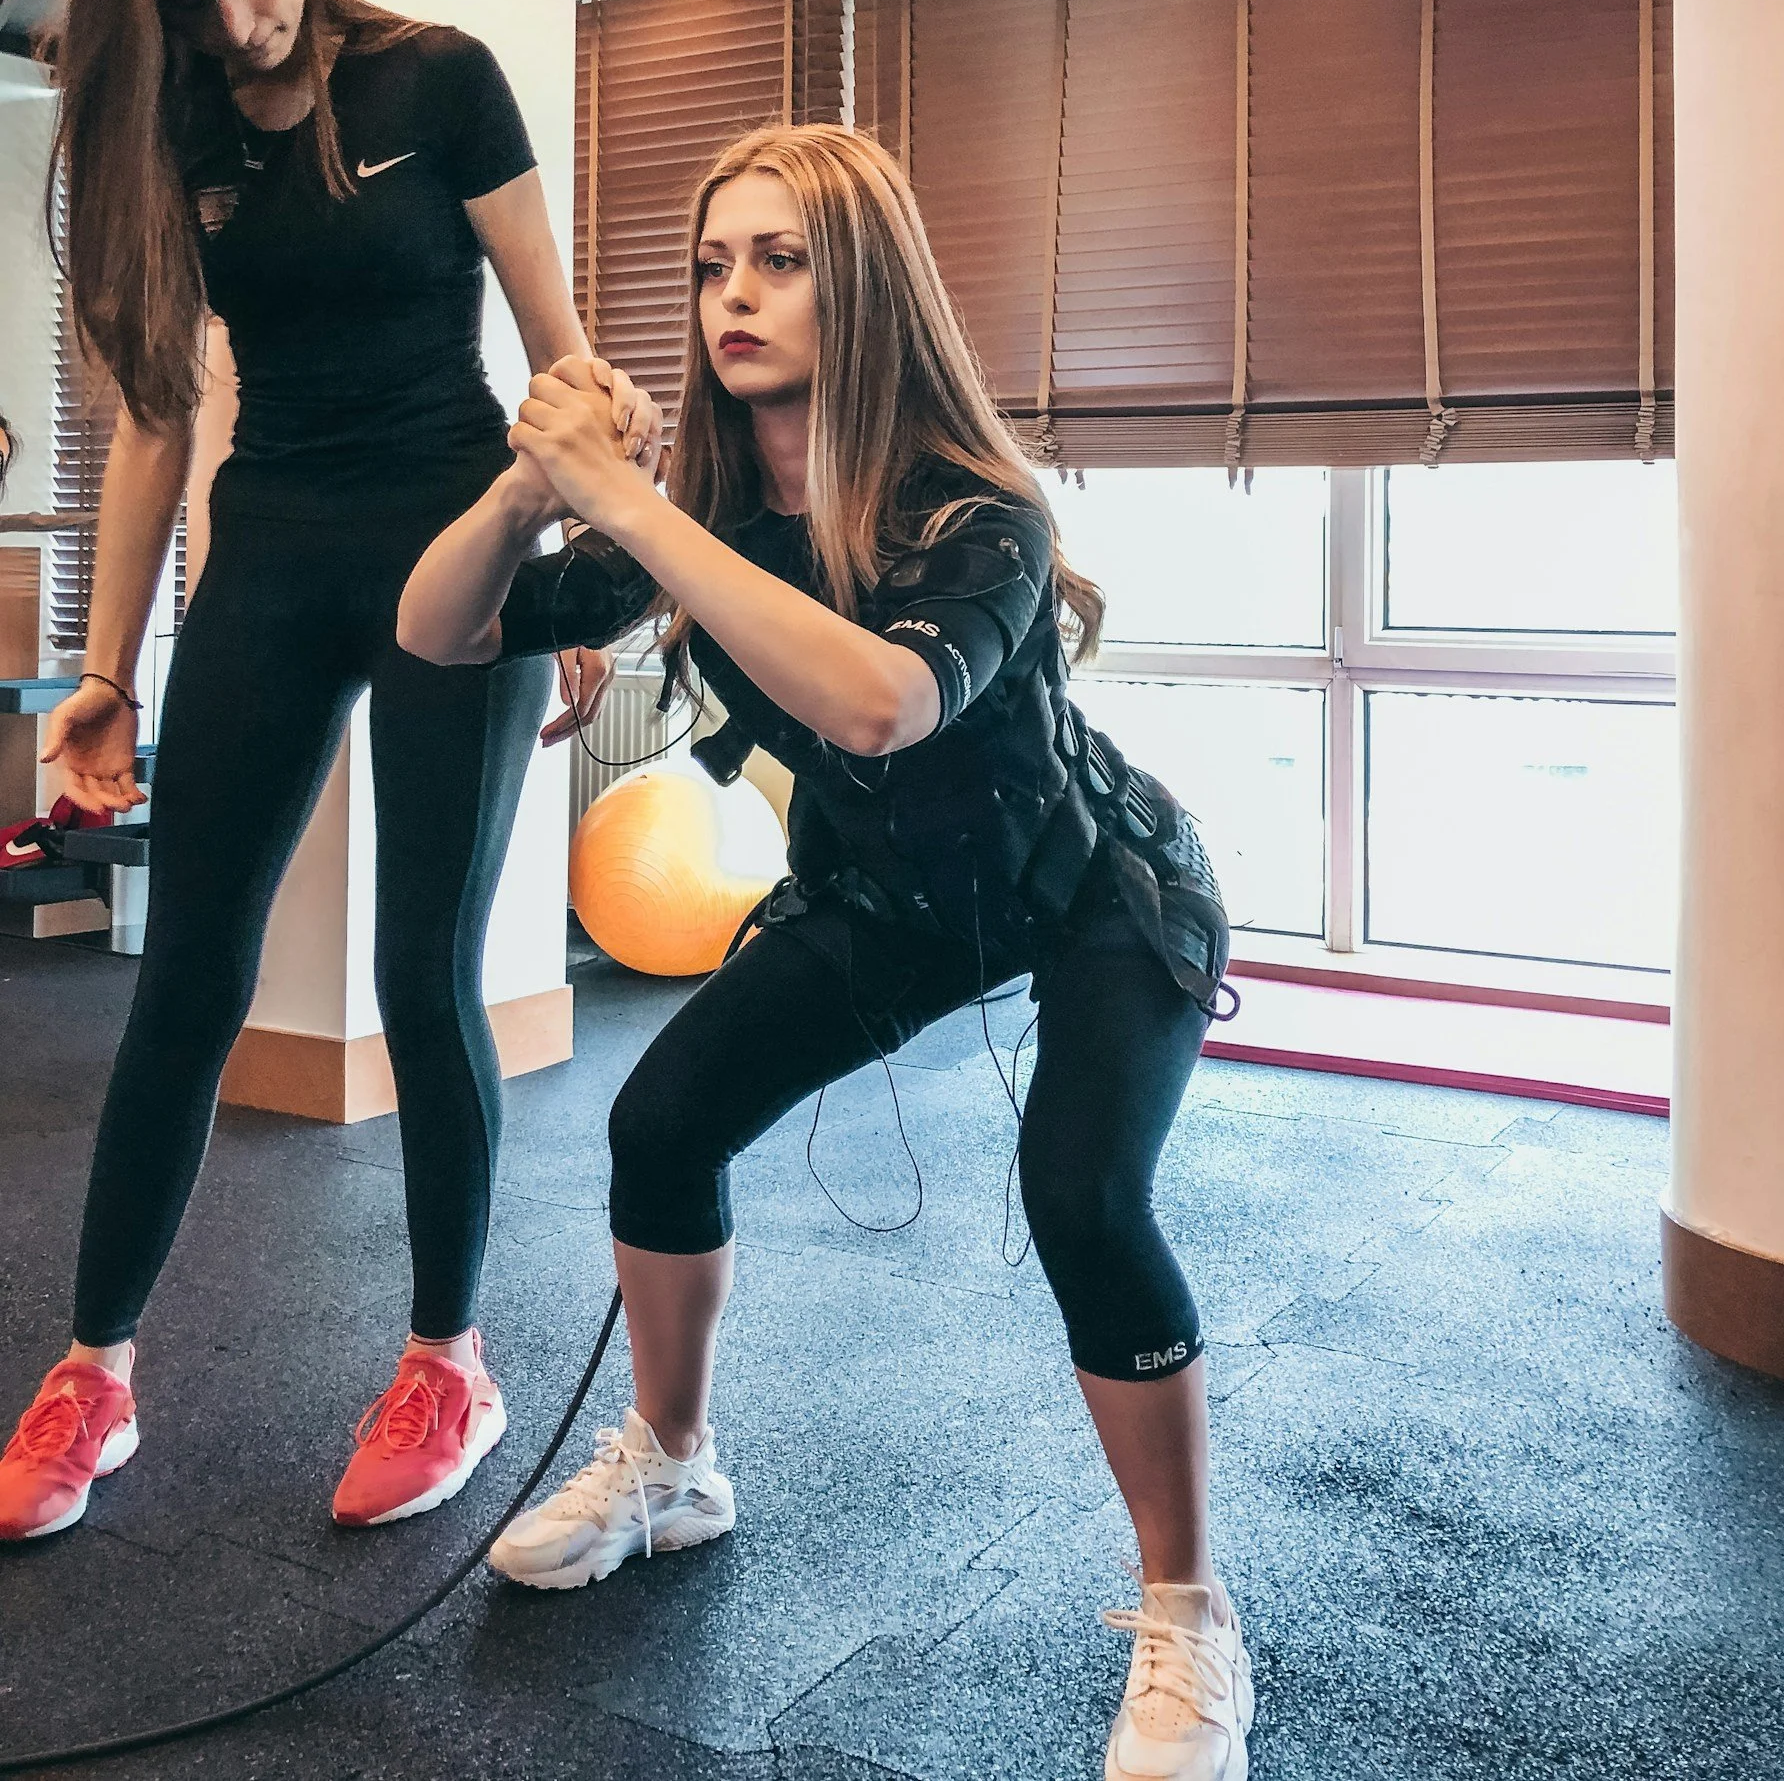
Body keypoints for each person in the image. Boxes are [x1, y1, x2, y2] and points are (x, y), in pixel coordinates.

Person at [399, 123, 1256, 1781]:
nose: (733, 293)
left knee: (1082, 1195)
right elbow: (436, 632)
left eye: (778, 260)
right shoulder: (713, 506)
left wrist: (633, 510)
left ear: (858, 286)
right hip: (885, 898)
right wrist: (530, 483)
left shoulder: (974, 510)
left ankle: (1188, 1610)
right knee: (659, 1126)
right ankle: (673, 1457)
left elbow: (878, 696)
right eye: (714, 262)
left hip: (1094, 889)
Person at [0, 0, 626, 1545]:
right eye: (196, 6)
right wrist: (104, 670)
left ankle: (447, 1359)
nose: (241, 27)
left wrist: (572, 581)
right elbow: (150, 411)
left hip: (458, 543)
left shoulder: (440, 82)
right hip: (268, 553)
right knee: (188, 974)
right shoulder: (178, 124)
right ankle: (95, 1373)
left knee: (425, 972)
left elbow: (560, 352)